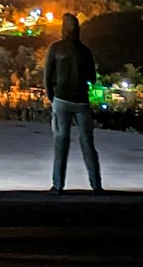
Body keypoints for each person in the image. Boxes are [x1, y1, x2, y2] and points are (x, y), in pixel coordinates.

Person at [43, 12, 103, 193]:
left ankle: (58, 185)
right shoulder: (85, 51)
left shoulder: (54, 49)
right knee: (87, 143)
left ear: (63, 29)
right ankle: (96, 185)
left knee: (61, 143)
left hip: (61, 100)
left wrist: (50, 95)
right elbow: (92, 79)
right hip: (81, 102)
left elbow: (47, 75)